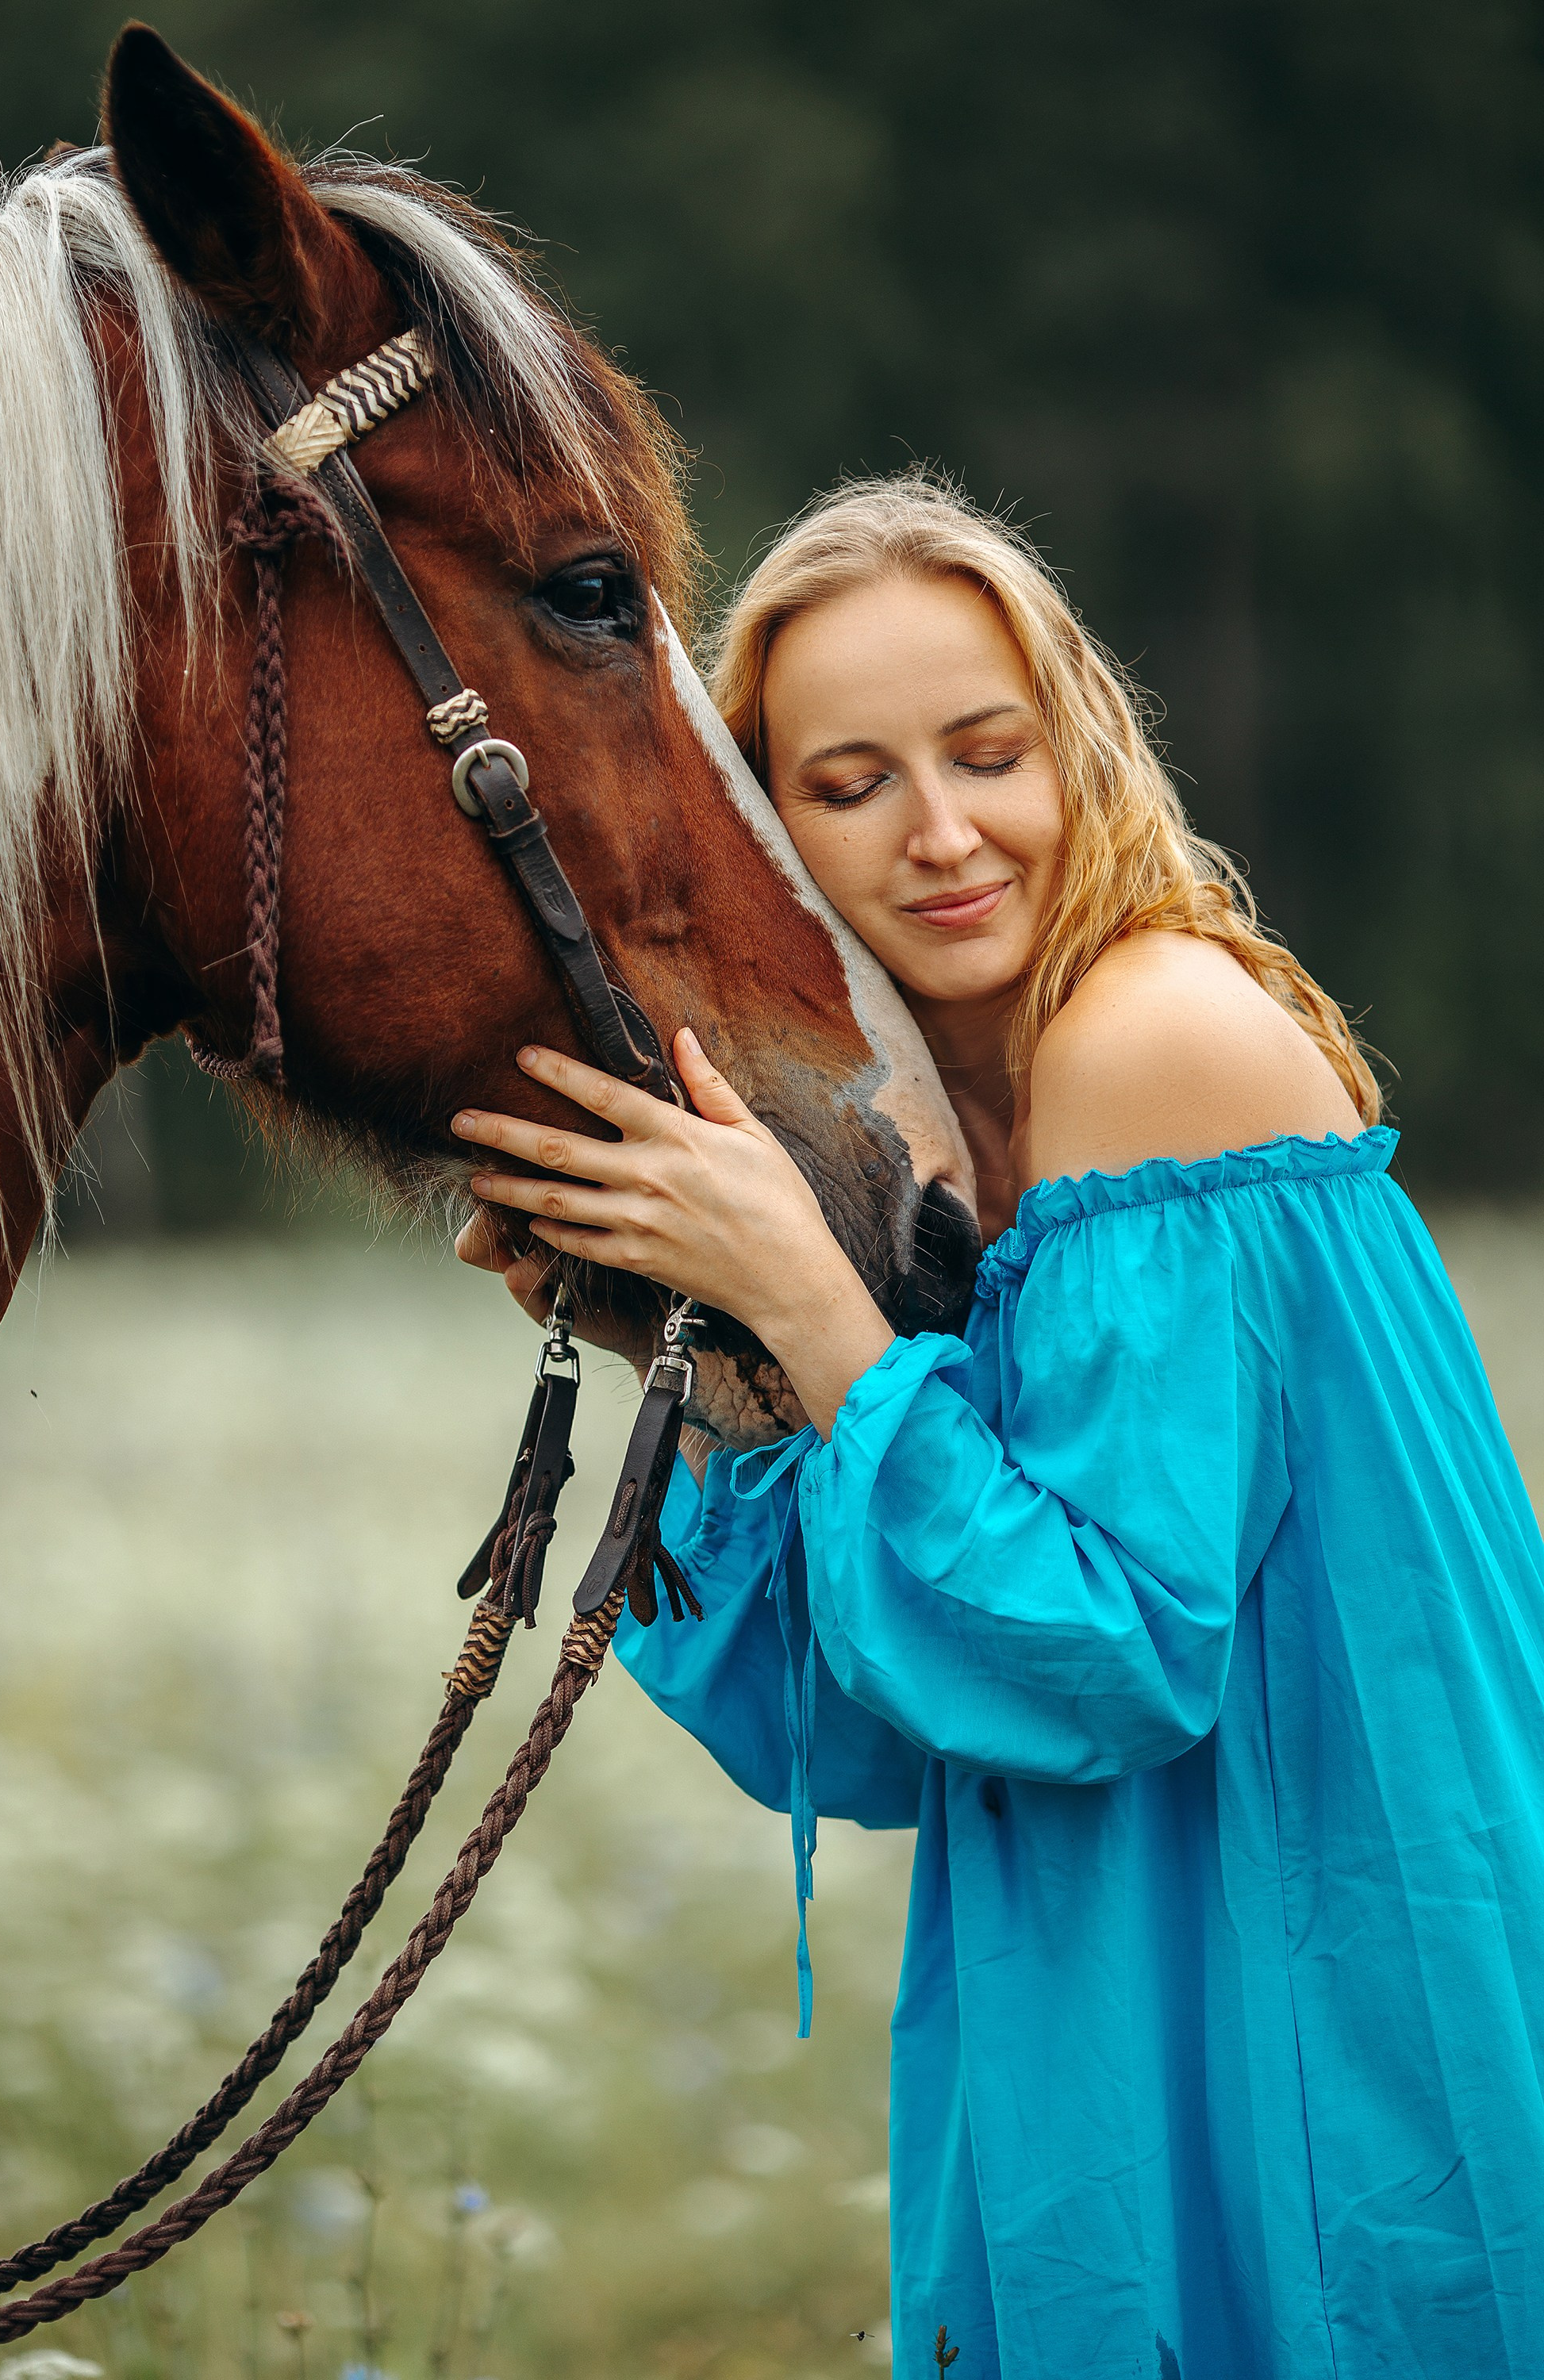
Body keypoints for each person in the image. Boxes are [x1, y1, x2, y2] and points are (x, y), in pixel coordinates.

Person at [451, 475, 1544, 2380]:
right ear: (758, 828)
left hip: (1328, 1953)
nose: (943, 835)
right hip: (1112, 1948)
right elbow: (887, 1728)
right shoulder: (948, 1128)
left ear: (1077, 748)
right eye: (851, 783)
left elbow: (1113, 1655)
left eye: (987, 754)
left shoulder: (1149, 1037)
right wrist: (693, 1349)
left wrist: (809, 1304)